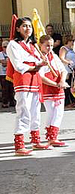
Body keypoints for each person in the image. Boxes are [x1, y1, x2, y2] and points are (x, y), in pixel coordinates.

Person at [7, 17, 51, 155]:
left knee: (35, 112)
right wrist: (35, 66)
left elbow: (37, 63)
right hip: (23, 82)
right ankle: (19, 144)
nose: (28, 29)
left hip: (35, 82)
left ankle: (35, 140)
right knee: (23, 111)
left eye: (30, 26)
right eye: (24, 26)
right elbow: (18, 65)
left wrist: (40, 63)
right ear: (18, 28)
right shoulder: (13, 45)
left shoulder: (33, 46)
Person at [37, 35, 69, 147]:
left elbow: (63, 70)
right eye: (47, 46)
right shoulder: (39, 58)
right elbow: (40, 76)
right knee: (51, 112)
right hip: (48, 89)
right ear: (41, 45)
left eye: (51, 45)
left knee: (59, 112)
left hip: (58, 88)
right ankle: (51, 136)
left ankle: (53, 136)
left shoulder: (54, 56)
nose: (49, 48)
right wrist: (55, 84)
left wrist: (62, 81)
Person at [1, 40, 15, 108]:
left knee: (11, 88)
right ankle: (5, 102)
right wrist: (10, 62)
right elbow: (3, 63)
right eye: (4, 47)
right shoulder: (0, 54)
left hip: (11, 73)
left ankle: (12, 101)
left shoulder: (11, 53)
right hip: (3, 74)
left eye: (7, 46)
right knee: (5, 89)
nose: (6, 48)